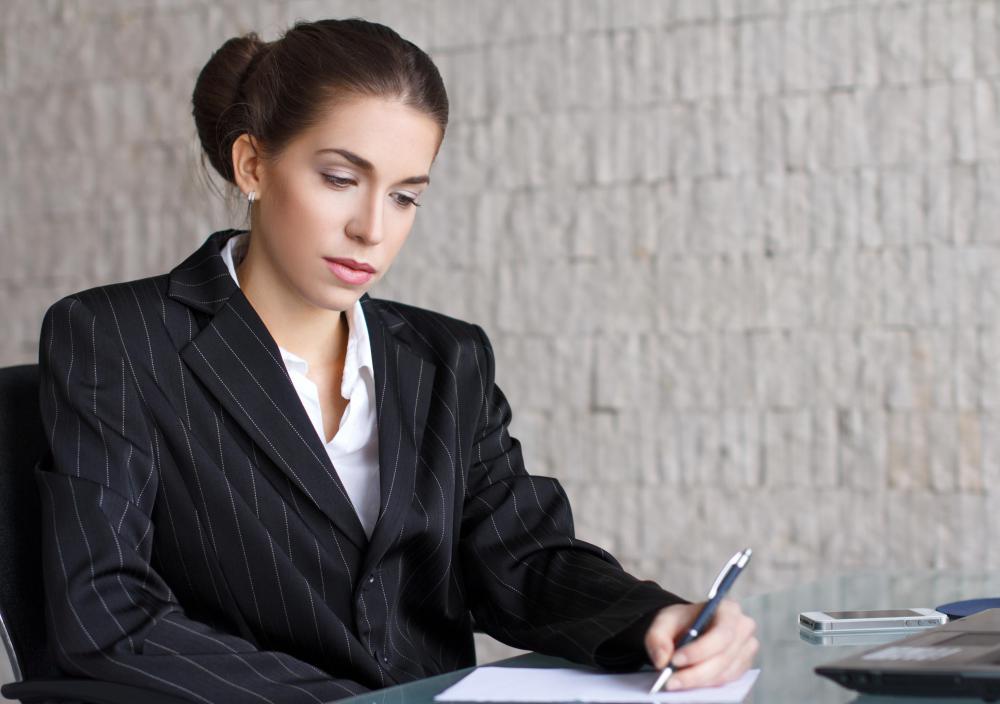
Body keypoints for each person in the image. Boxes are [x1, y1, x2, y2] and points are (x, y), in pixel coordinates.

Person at [34, 17, 758, 703]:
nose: (371, 229)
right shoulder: (117, 338)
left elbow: (522, 560)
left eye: (406, 196)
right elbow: (107, 608)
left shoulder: (447, 359)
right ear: (252, 163)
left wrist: (656, 617)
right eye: (340, 179)